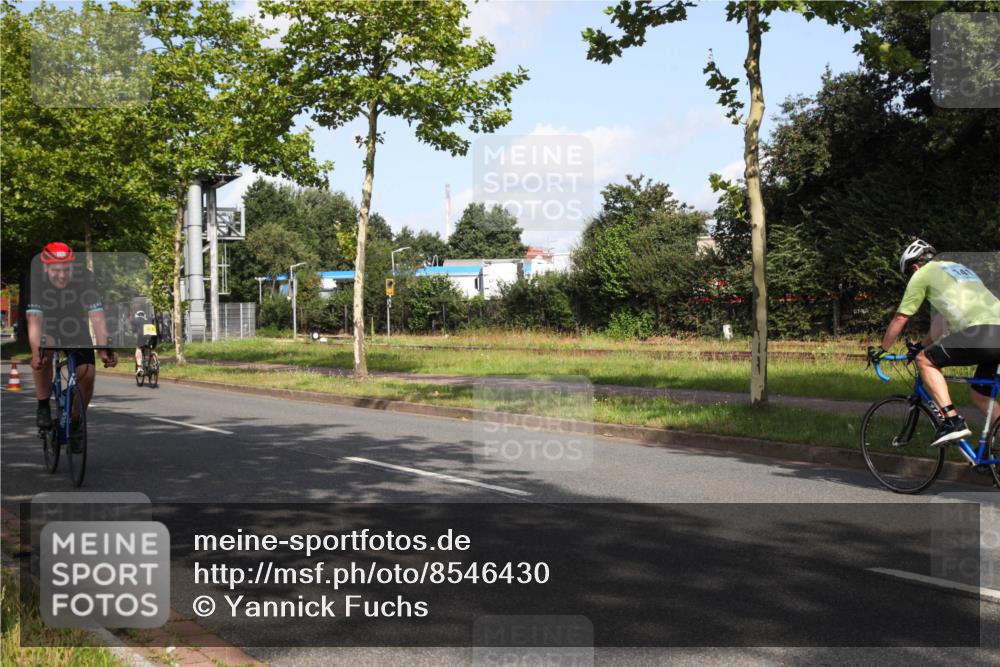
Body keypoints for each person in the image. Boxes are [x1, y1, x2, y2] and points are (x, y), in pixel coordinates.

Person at [874, 240, 1000, 446]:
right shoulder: (958, 269)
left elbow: (900, 318)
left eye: (909, 273)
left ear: (914, 266)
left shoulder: (922, 274)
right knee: (981, 396)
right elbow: (943, 319)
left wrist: (881, 350)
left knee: (924, 361)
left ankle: (952, 422)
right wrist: (921, 345)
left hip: (981, 332)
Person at [25, 242, 117, 445]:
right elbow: (34, 321)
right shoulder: (36, 278)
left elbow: (97, 316)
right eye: (56, 270)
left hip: (74, 325)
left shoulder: (85, 276)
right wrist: (35, 354)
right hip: (47, 323)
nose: (62, 275)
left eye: (66, 269)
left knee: (88, 373)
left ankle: (76, 420)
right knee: (44, 350)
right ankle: (42, 406)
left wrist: (103, 349)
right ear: (46, 267)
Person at [131, 309, 158, 375]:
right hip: (153, 334)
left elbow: (134, 332)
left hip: (144, 334)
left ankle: (139, 367)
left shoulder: (135, 320)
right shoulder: (149, 318)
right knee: (152, 349)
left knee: (138, 348)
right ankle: (156, 363)